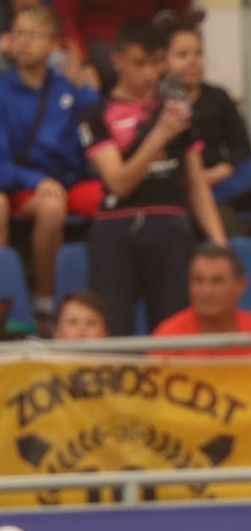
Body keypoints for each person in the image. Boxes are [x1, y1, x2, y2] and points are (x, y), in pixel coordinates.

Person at [79, 19, 227, 337]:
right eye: (139, 63)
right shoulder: (95, 114)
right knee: (114, 332)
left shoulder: (178, 112)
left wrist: (218, 241)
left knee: (174, 332)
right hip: (116, 227)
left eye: (155, 64)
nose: (149, 74)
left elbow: (198, 183)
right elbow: (119, 182)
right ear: (116, 60)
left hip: (170, 224)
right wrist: (160, 134)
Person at [0, 6, 102, 332]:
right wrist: (37, 179)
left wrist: (83, 89)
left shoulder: (68, 87)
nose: (24, 42)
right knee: (52, 206)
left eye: (33, 35)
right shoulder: (2, 90)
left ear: (54, 44)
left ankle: (102, 302)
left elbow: (100, 134)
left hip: (72, 181)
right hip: (23, 185)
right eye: (18, 34)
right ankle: (45, 304)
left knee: (118, 202)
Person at [163, 17, 251, 238]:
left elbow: (242, 146)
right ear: (163, 61)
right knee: (222, 217)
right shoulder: (161, 103)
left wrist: (224, 169)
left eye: (198, 54)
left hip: (224, 178)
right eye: (182, 55)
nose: (192, 61)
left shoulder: (218, 97)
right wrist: (199, 178)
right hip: (190, 186)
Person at [153, 243, 251, 357]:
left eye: (217, 281)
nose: (207, 291)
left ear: (241, 285)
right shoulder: (169, 336)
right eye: (198, 281)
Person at [53, 0, 190, 93]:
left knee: (180, 68)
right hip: (95, 39)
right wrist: (83, 62)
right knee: (115, 69)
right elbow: (63, 16)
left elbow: (178, 13)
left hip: (147, 37)